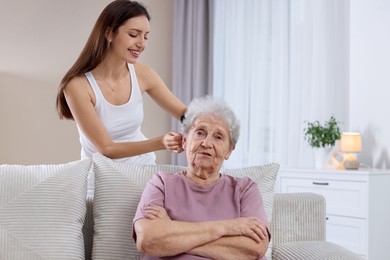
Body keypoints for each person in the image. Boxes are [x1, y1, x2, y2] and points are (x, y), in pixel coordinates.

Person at [133, 96, 270, 260]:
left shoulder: (245, 189)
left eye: (218, 137)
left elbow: (254, 248)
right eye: (200, 133)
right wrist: (227, 227)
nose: (206, 143)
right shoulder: (161, 183)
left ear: (229, 151)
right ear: (184, 141)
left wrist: (171, 230)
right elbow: (147, 240)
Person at [56, 0, 186, 166]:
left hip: (143, 167)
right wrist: (161, 142)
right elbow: (107, 148)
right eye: (133, 34)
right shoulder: (77, 86)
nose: (142, 44)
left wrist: (216, 125)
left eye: (145, 36)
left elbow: (184, 113)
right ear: (109, 33)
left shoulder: (143, 74)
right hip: (101, 173)